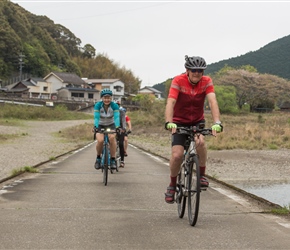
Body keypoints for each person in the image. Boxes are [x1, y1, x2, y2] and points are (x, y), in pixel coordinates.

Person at [164, 55, 223, 204]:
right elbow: (171, 102)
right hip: (178, 122)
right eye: (194, 70)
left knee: (200, 143)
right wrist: (169, 122)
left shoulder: (207, 81)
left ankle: (202, 175)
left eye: (200, 70)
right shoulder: (178, 81)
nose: (197, 73)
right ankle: (172, 185)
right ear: (187, 70)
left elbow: (212, 101)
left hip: (197, 121)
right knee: (177, 155)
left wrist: (217, 122)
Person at [94, 89, 120, 170]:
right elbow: (96, 117)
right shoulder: (98, 105)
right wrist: (95, 126)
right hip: (100, 124)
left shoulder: (114, 106)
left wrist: (117, 127)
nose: (107, 99)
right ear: (102, 98)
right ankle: (98, 158)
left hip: (111, 124)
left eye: (108, 98)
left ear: (111, 98)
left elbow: (116, 117)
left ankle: (112, 160)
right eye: (105, 98)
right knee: (100, 140)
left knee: (112, 138)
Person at [116, 101, 126, 168]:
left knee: (121, 144)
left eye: (118, 105)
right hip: (112, 129)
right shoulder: (111, 111)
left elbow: (123, 121)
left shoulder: (121, 112)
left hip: (120, 129)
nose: (117, 106)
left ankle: (122, 161)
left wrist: (123, 128)